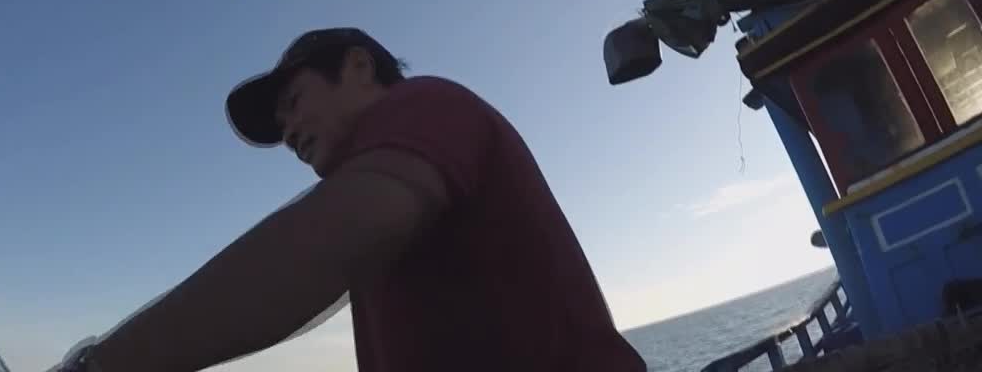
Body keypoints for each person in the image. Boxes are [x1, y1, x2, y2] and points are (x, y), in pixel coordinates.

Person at [60, 28, 646, 371]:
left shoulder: (424, 104)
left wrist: (100, 365)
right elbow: (302, 294)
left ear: (359, 66)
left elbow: (304, 261)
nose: (286, 130)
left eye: (293, 100)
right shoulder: (382, 195)